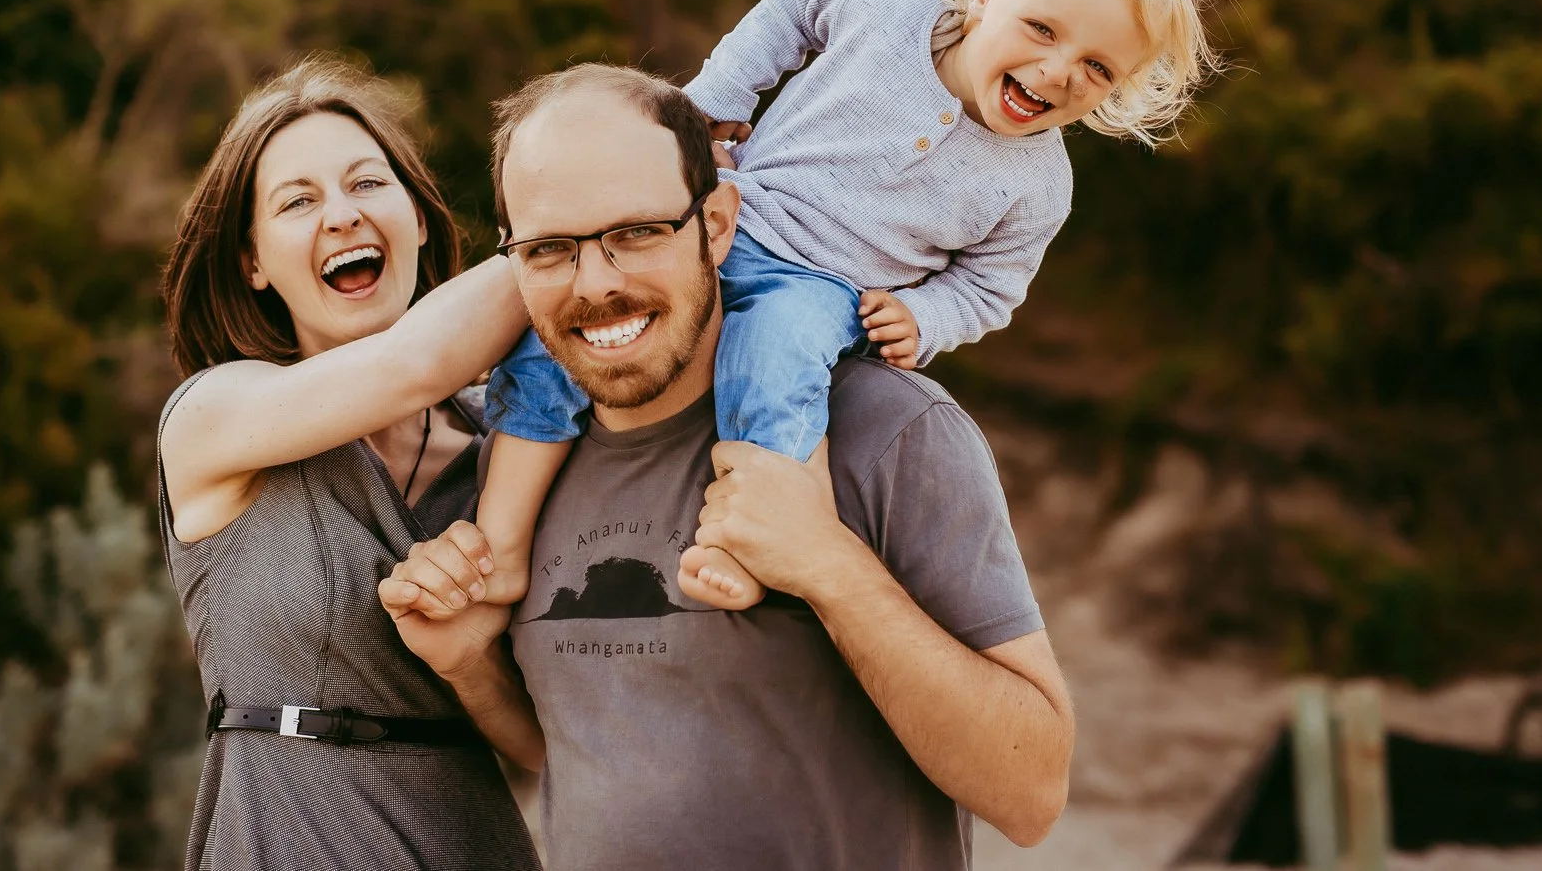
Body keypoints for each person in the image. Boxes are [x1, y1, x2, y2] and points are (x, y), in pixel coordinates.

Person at [475, 0, 1236, 610]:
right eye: (1042, 29)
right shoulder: (884, 8)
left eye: (1099, 69)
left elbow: (989, 285)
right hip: (730, 209)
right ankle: (499, 539)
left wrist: (927, 318)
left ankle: (744, 546)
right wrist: (717, 98)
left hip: (820, 288)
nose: (1058, 70)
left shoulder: (1038, 185)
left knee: (774, 366)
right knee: (564, 321)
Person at [379, 64, 1076, 871]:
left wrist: (830, 568)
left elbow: (1029, 795)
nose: (596, 282)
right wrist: (470, 662)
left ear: (717, 223)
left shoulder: (890, 430)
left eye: (636, 232)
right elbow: (568, 750)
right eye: (550, 249)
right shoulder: (517, 478)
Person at [154, 55, 540, 870]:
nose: (342, 216)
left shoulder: (513, 454)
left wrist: (468, 661)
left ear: (420, 218)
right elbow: (415, 364)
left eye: (369, 185)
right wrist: (601, 204)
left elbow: (546, 750)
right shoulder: (213, 418)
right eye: (298, 202)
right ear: (253, 262)